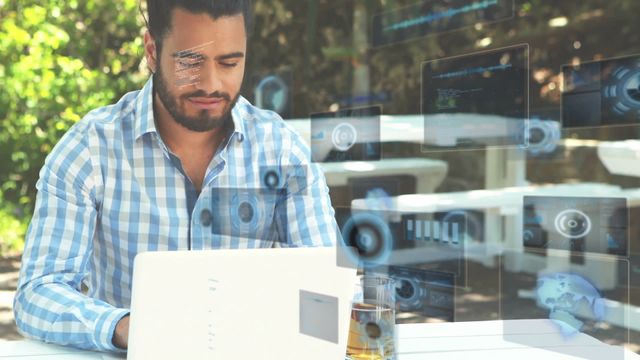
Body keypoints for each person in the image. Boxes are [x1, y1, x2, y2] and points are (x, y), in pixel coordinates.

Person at [13, 0, 338, 352]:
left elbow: (330, 287)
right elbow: (38, 294)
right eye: (190, 61)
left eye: (229, 62)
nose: (211, 84)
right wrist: (126, 327)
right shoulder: (90, 148)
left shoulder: (282, 151)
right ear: (152, 51)